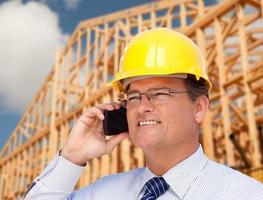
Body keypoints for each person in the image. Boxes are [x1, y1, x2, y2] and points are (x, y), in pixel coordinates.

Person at [24, 28, 263, 200]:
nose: (142, 106)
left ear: (199, 108)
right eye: (134, 96)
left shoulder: (247, 195)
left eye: (159, 93)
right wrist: (72, 157)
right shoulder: (102, 193)